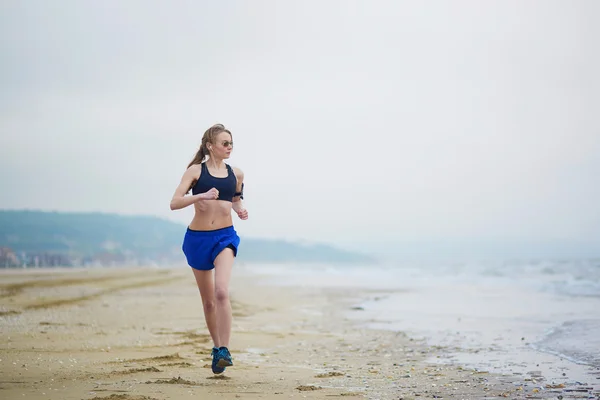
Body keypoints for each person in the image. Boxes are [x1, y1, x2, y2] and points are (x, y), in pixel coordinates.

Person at [169, 123, 248, 374]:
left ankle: (225, 349)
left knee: (222, 292)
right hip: (198, 239)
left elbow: (235, 199)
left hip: (225, 237)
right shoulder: (195, 171)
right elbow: (174, 203)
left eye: (231, 143)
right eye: (225, 143)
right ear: (210, 146)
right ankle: (217, 350)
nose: (229, 147)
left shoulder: (236, 173)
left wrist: (240, 209)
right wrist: (199, 196)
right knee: (209, 303)